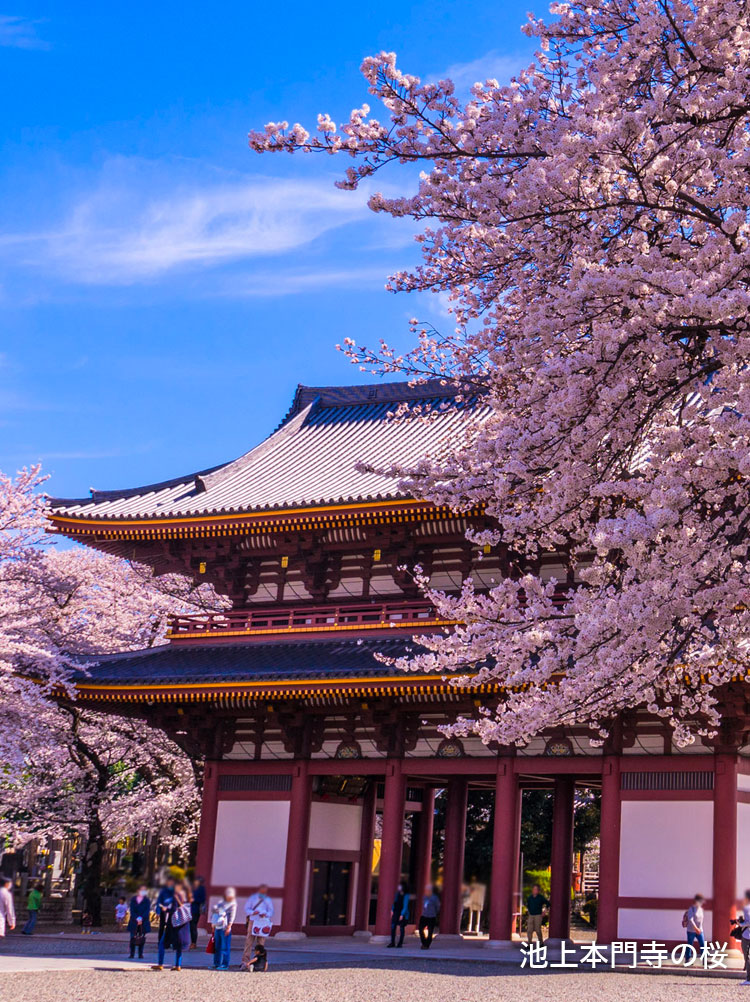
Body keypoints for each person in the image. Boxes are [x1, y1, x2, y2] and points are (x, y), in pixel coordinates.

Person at [152, 881, 191, 971]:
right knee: (179, 945)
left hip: (173, 924)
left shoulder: (174, 897)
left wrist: (166, 910)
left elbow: (173, 909)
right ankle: (178, 965)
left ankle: (160, 964)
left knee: (162, 943)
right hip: (183, 924)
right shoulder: (186, 897)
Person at [241, 885, 274, 971]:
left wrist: (266, 914)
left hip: (263, 922)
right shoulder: (252, 899)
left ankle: (260, 961)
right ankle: (245, 961)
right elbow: (246, 909)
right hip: (253, 921)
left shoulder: (268, 900)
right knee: (249, 942)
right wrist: (253, 912)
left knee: (261, 943)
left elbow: (271, 911)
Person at [209, 887, 237, 971]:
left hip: (225, 927)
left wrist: (229, 927)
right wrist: (213, 925)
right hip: (217, 927)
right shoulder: (221, 903)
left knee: (225, 947)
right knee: (217, 947)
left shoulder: (233, 904)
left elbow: (232, 916)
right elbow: (213, 911)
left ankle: (225, 964)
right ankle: (216, 963)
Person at [127, 885, 151, 960]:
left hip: (143, 921)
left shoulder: (147, 900)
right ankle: (132, 953)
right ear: (138, 890)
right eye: (141, 890)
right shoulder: (133, 899)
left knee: (141, 937)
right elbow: (132, 910)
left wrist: (141, 918)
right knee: (132, 937)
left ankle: (140, 953)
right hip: (134, 921)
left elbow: (147, 911)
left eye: (144, 890)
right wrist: (136, 918)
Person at [418, 884, 440, 950]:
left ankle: (427, 945)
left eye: (428, 890)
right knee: (420, 929)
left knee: (430, 932)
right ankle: (424, 942)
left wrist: (435, 913)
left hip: (431, 916)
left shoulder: (435, 898)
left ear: (431, 891)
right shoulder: (424, 897)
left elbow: (437, 907)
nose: (426, 891)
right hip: (424, 915)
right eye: (426, 890)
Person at [388, 881, 410, 948]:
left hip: (402, 913)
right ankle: (392, 942)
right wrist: (392, 910)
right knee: (393, 927)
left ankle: (400, 943)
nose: (399, 887)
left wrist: (402, 914)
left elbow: (405, 906)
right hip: (396, 912)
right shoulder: (397, 894)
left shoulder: (406, 895)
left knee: (401, 928)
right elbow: (394, 902)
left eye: (400, 886)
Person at [154, 876, 176, 944]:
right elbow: (159, 901)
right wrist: (158, 911)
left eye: (172, 882)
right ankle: (160, 941)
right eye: (169, 882)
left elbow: (176, 902)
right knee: (162, 927)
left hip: (172, 911)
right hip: (163, 911)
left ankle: (168, 942)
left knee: (170, 927)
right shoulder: (163, 891)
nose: (170, 884)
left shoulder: (175, 891)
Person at [190, 875, 206, 949]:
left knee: (193, 927)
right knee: (189, 927)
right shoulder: (192, 888)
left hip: (195, 910)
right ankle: (188, 941)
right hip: (189, 910)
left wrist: (194, 900)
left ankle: (193, 943)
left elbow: (202, 899)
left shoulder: (201, 889)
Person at [739, 888, 750, 986]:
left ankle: (749, 978)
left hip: (747, 935)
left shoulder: (746, 908)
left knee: (747, 957)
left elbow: (748, 922)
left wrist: (740, 923)